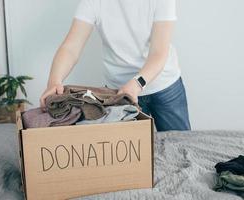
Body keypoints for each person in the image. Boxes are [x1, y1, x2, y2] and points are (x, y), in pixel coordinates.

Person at [40, 0, 191, 132]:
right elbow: (71, 48)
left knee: (182, 147)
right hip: (118, 92)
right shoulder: (93, 2)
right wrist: (54, 81)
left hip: (164, 86)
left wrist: (136, 85)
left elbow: (159, 53)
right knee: (130, 156)